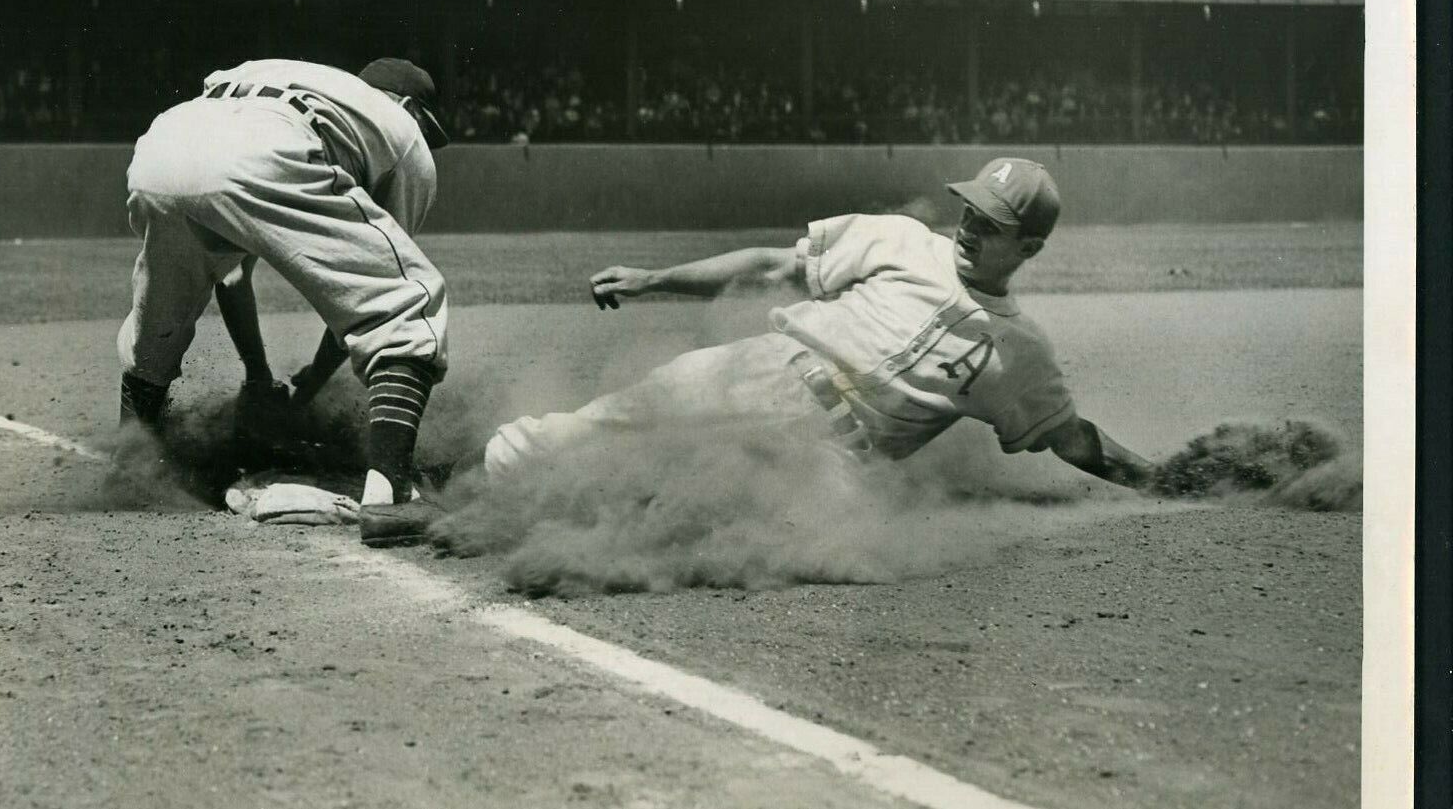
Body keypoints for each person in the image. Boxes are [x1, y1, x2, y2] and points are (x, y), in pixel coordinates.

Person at [482, 158, 1156, 495]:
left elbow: (1070, 439)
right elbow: (773, 263)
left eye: (994, 225)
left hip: (830, 461)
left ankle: (579, 524)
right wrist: (653, 279)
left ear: (1030, 247)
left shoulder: (1022, 353)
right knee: (579, 431)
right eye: (971, 212)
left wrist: (1167, 477)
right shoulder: (901, 240)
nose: (971, 230)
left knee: (705, 518)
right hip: (764, 368)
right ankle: (460, 496)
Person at [116, 57, 452, 546]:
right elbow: (365, 294)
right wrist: (311, 382)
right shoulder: (401, 130)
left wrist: (257, 374)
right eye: (427, 123)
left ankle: (131, 464)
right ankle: (392, 493)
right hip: (267, 147)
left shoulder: (297, 79)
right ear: (406, 105)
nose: (426, 137)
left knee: (157, 321)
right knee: (405, 305)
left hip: (162, 146)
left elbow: (230, 276)